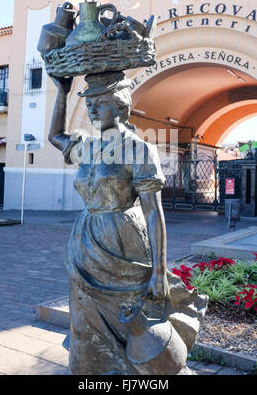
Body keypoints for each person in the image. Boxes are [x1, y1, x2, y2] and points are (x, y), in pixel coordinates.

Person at [48, 71, 207, 375]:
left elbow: (153, 213)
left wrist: (160, 272)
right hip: (84, 244)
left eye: (101, 102)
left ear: (121, 106)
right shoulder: (88, 147)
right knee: (84, 323)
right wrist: (62, 91)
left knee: (133, 318)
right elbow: (55, 136)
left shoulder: (139, 150)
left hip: (124, 243)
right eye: (90, 102)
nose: (93, 109)